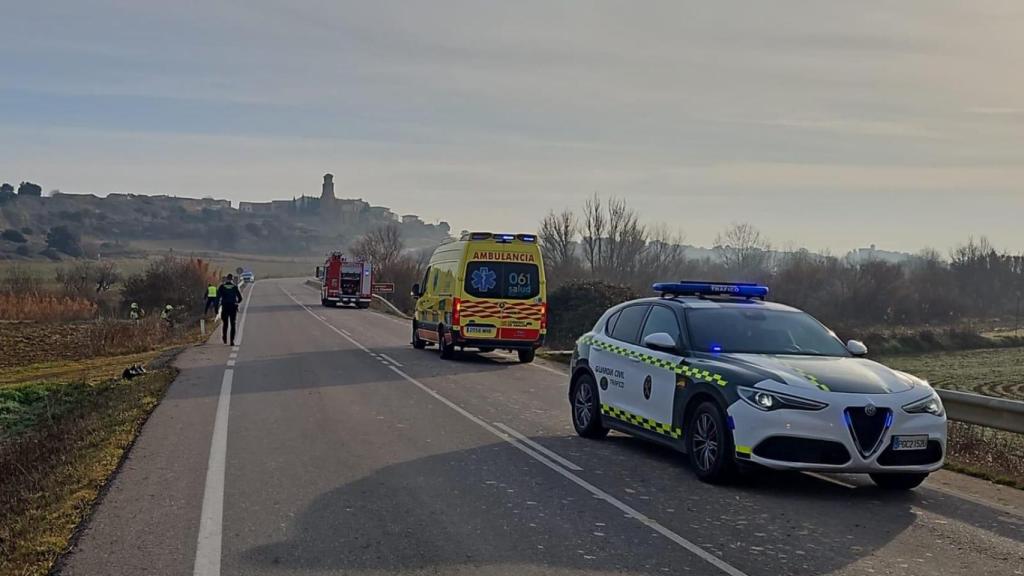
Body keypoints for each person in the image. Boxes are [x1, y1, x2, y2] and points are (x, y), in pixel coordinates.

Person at [217, 274, 244, 345]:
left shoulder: (222, 287)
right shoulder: (235, 287)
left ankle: (224, 337)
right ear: (232, 279)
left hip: (225, 307)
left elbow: (217, 297)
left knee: (225, 324)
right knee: (233, 324)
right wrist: (236, 302)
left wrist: (217, 307)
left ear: (226, 279)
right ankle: (232, 341)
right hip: (233, 307)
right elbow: (240, 298)